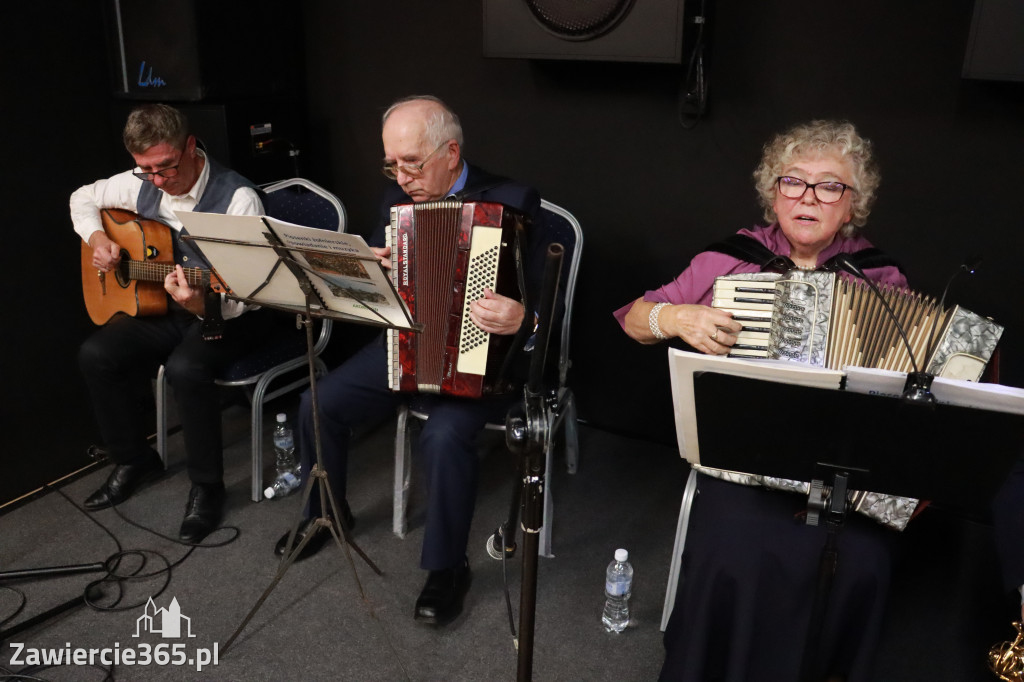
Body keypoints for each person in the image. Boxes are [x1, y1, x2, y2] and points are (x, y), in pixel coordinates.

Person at [614, 120, 908, 681]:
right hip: (741, 460)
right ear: (773, 194)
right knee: (738, 545)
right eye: (793, 182)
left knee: (866, 560)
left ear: (852, 208)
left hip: (837, 469)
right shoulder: (730, 260)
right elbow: (634, 318)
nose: (808, 197)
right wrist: (676, 317)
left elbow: (897, 390)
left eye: (830, 187)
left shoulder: (880, 279)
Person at [273, 95, 541, 626]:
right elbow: (374, 293)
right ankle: (326, 512)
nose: (401, 177)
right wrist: (374, 273)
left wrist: (524, 317)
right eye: (391, 165)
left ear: (450, 152)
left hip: (480, 357)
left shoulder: (513, 200)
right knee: (316, 401)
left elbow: (549, 302)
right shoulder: (393, 205)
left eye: (411, 164)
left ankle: (448, 568)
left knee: (441, 436)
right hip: (406, 345)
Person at [73, 103, 271, 543]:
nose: (158, 181)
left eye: (166, 167)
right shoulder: (142, 181)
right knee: (97, 353)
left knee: (186, 368)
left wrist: (202, 304)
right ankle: (134, 459)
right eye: (146, 171)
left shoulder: (238, 199)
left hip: (231, 313)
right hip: (164, 307)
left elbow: (250, 293)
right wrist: (100, 239)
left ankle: (207, 488)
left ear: (191, 146)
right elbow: (82, 198)